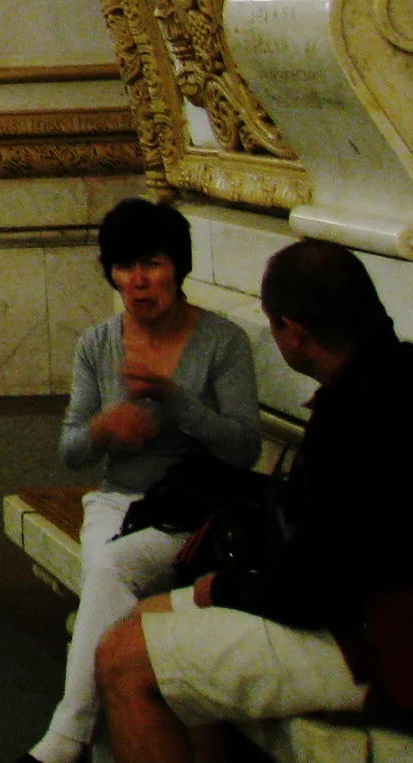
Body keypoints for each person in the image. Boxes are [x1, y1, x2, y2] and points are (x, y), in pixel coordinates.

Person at [98, 239, 413, 761]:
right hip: (364, 608)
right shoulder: (390, 376)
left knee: (123, 658)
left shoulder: (357, 423)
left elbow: (314, 594)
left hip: (382, 640)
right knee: (154, 623)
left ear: (294, 332)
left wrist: (219, 588)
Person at [19, 199, 257, 763]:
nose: (138, 282)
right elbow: (71, 451)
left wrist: (175, 401)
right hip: (117, 502)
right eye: (124, 268)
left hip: (192, 511)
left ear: (177, 266)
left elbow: (244, 449)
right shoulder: (97, 344)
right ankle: (97, 750)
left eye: (151, 264)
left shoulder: (222, 343)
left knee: (109, 570)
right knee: (109, 579)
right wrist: (105, 428)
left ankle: (65, 737)